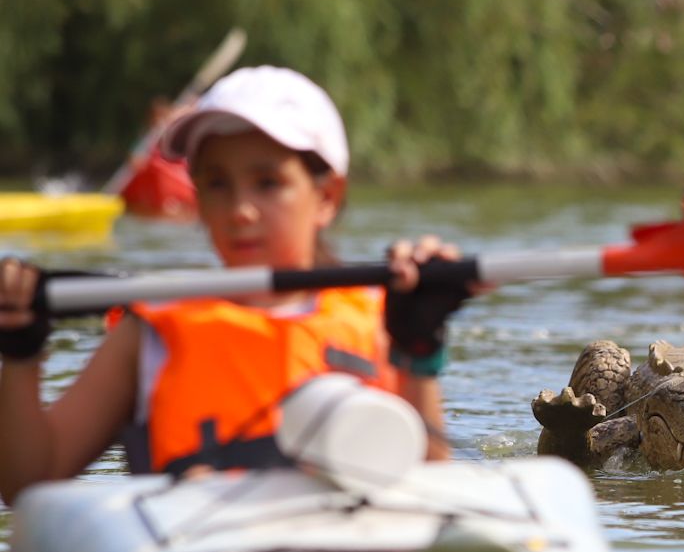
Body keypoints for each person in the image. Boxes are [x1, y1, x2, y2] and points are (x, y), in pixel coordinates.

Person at [0, 66, 473, 504]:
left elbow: (430, 489)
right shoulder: (150, 332)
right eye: (217, 184)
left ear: (326, 198)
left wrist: (418, 352)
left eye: (267, 183)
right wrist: (21, 354)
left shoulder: (384, 321)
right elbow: (27, 483)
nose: (240, 210)